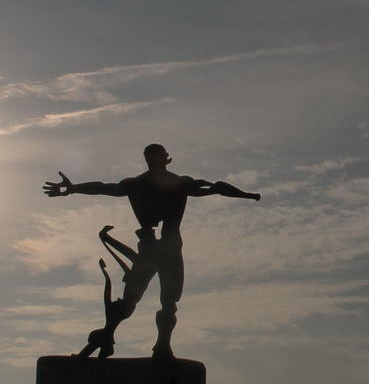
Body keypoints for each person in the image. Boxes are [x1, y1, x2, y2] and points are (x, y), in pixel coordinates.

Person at [43, 145, 260, 358]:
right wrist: (73, 188)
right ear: (158, 159)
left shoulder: (176, 183)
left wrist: (247, 195)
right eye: (154, 157)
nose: (156, 161)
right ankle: (108, 336)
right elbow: (103, 187)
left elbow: (216, 188)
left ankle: (160, 345)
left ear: (165, 159)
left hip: (167, 245)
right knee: (133, 300)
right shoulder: (140, 184)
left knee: (167, 299)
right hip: (152, 247)